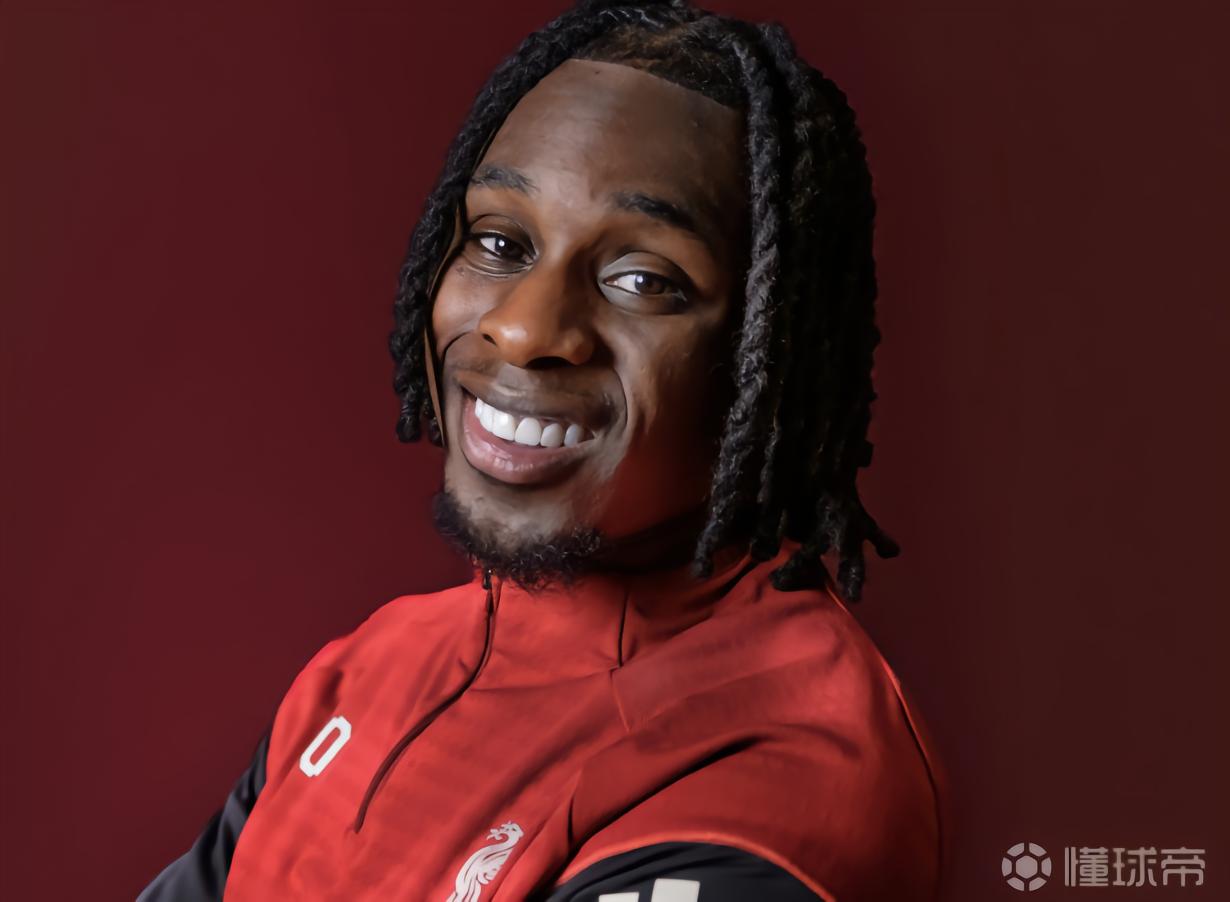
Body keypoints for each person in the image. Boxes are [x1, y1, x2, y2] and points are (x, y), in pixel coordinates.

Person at [139, 1, 948, 899]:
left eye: (642, 279)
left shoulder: (778, 773)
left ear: (771, 354)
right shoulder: (367, 669)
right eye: (499, 242)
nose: (524, 328)